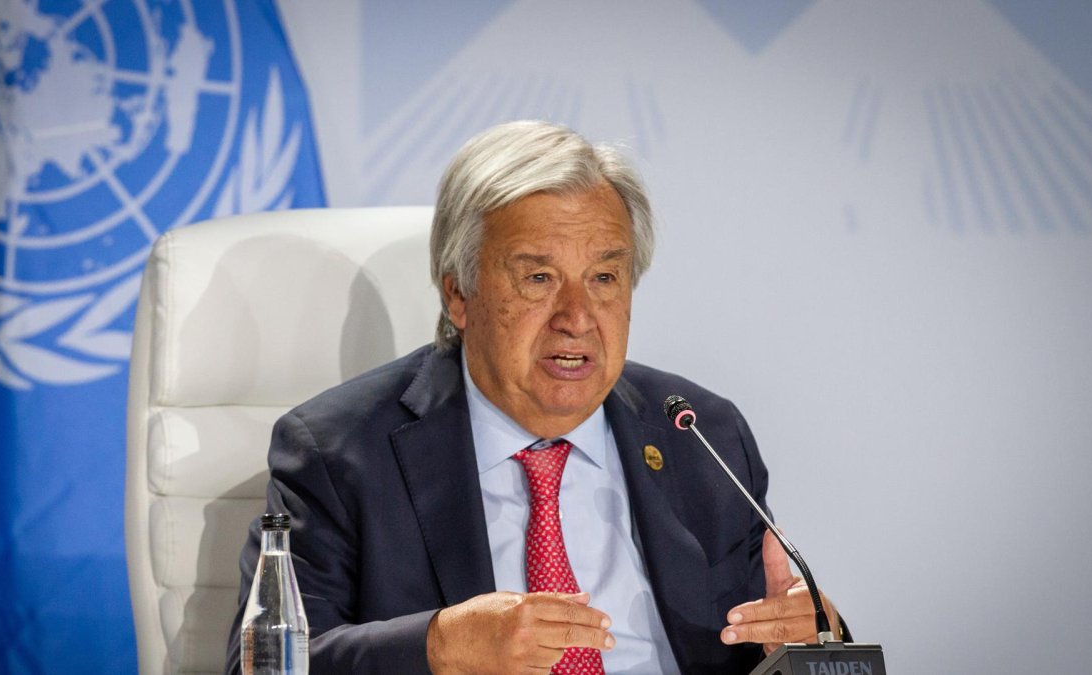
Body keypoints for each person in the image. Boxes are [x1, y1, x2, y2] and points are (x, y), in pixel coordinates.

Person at [226, 121, 839, 674]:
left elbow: (776, 638)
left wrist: (816, 646)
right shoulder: (339, 452)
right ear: (458, 295)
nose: (577, 317)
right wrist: (440, 646)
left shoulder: (700, 434)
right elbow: (268, 666)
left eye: (604, 278)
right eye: (538, 278)